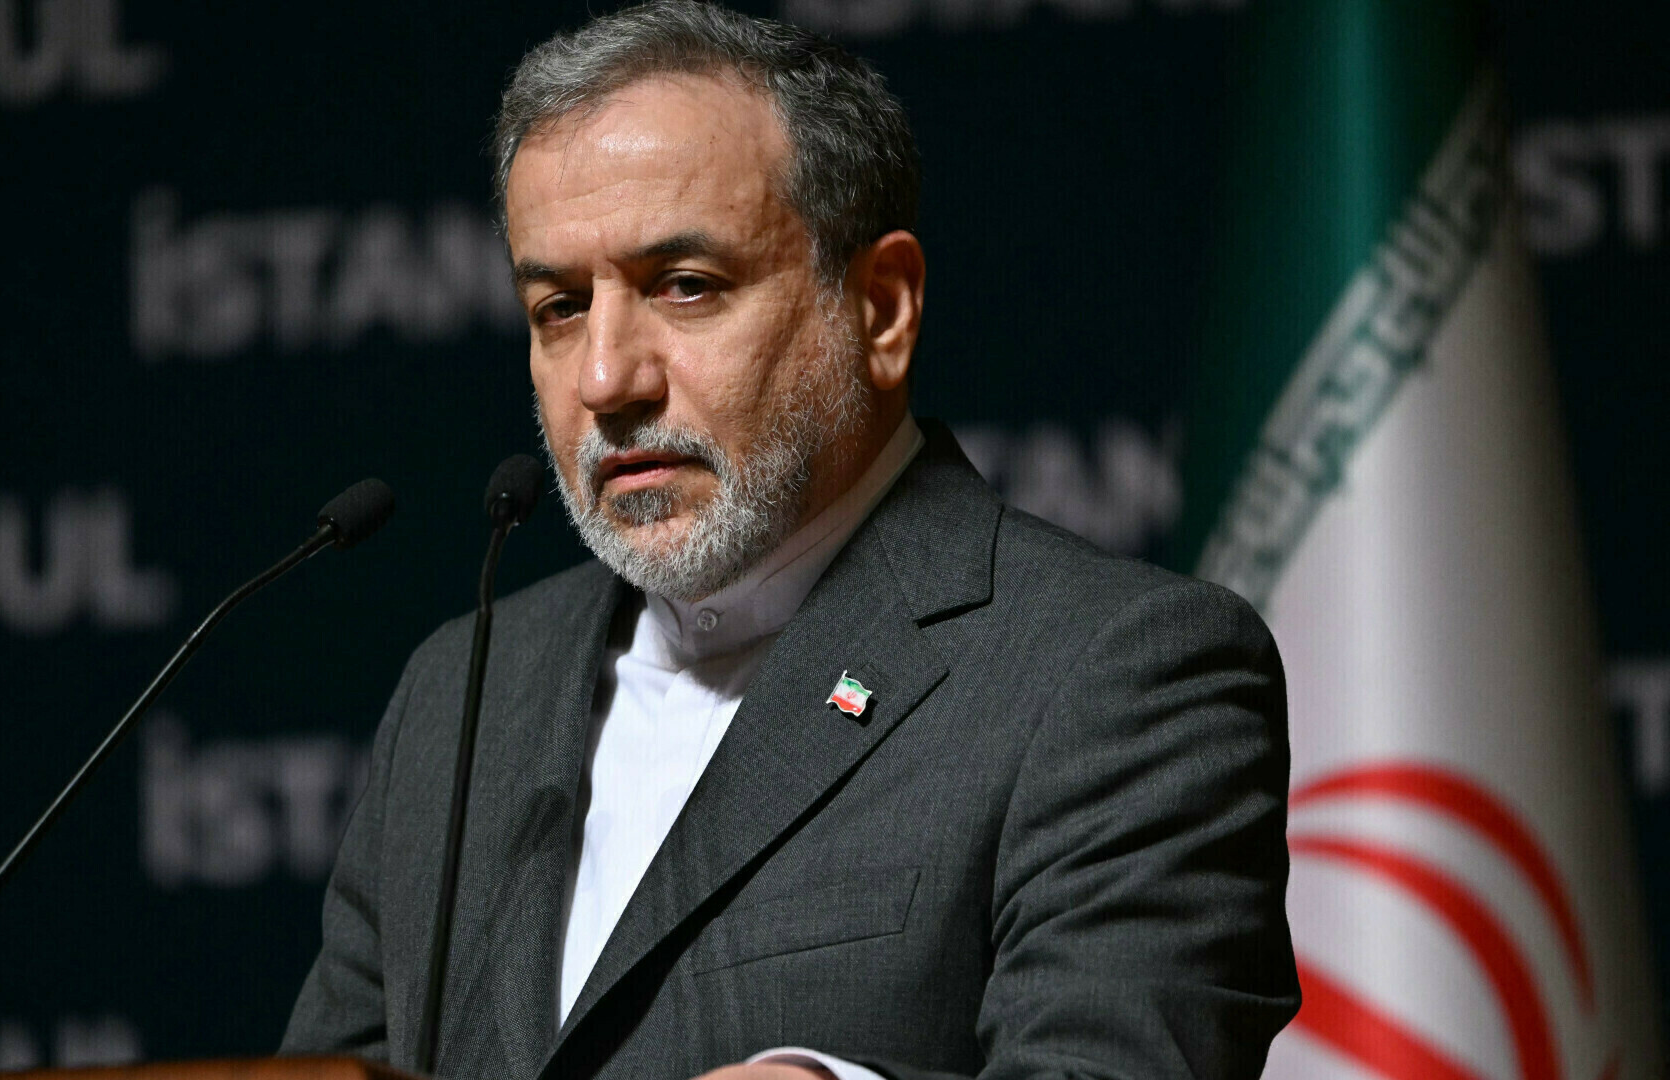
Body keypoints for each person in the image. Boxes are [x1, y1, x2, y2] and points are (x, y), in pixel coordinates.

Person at [281, 3, 1299, 1078]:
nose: (606, 379)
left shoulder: (1118, 674)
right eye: (561, 306)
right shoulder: (463, 693)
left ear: (882, 308)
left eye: (686, 287)